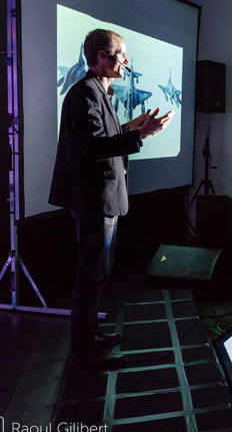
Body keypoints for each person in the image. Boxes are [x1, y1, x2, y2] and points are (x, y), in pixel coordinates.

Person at [49, 28, 174, 368]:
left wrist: (134, 128)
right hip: (93, 201)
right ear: (102, 57)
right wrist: (141, 135)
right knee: (91, 275)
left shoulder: (97, 92)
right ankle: (83, 351)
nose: (126, 62)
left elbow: (106, 137)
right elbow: (92, 148)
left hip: (100, 200)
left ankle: (89, 337)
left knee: (97, 275)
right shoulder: (85, 94)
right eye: (121, 55)